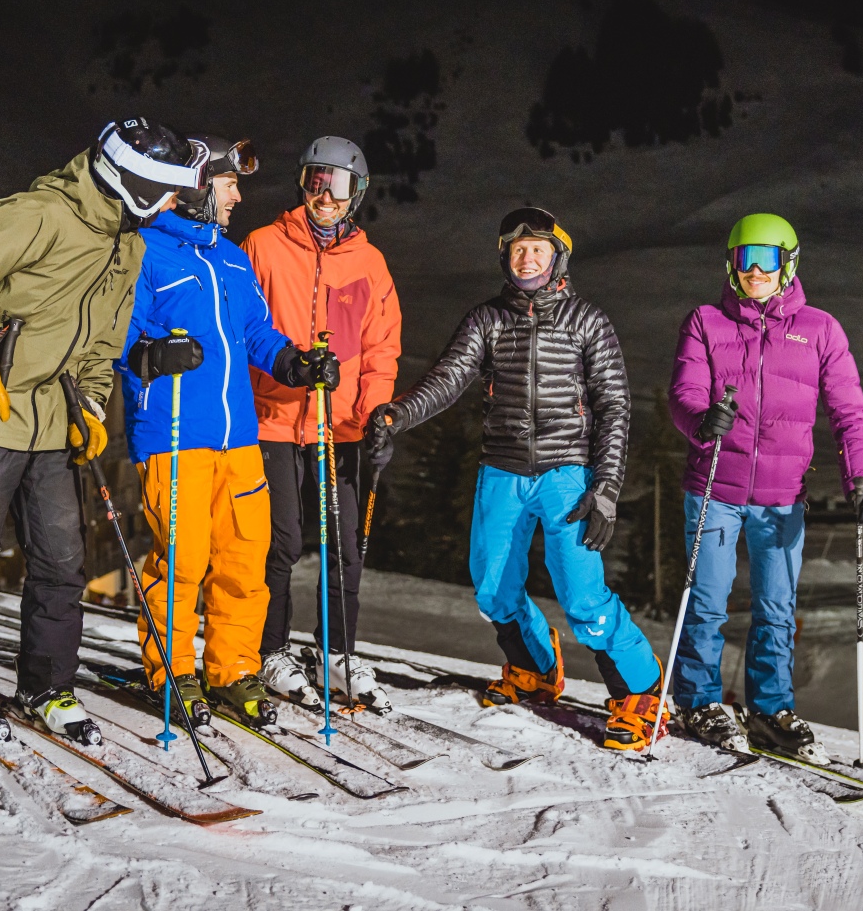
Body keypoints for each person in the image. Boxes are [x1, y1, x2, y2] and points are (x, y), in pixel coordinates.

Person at [0, 117, 208, 743]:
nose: (172, 204)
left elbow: (102, 343)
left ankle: (47, 685)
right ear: (131, 181)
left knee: (62, 559)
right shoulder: (40, 215)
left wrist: (94, 409)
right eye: (166, 191)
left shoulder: (126, 243)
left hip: (53, 418)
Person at [364, 207, 666, 751]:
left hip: (567, 473)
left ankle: (640, 690)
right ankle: (534, 666)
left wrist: (607, 489)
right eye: (518, 249)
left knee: (581, 595)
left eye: (539, 249)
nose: (528, 257)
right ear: (505, 257)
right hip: (502, 467)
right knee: (492, 587)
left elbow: (615, 407)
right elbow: (449, 378)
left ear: (557, 258)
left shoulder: (587, 321)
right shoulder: (487, 319)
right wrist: (397, 415)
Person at [113, 135, 338, 730]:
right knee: (182, 562)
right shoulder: (142, 254)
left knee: (245, 559)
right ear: (192, 186)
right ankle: (171, 673)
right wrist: (149, 356)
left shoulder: (232, 257)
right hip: (175, 432)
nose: (239, 194)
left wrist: (294, 363)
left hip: (239, 438)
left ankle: (233, 671)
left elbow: (258, 334)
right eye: (228, 183)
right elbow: (111, 340)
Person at [667, 213, 863, 764]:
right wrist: (700, 420)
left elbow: (849, 412)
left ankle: (770, 710)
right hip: (715, 486)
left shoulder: (820, 330)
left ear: (789, 263)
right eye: (744, 258)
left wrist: (862, 479)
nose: (756, 270)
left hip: (783, 498)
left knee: (776, 609)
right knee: (709, 603)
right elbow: (683, 392)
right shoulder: (707, 322)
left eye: (767, 258)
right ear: (731, 264)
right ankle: (698, 701)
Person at [242, 137, 402, 712]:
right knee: (280, 543)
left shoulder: (370, 262)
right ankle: (270, 649)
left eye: (337, 185)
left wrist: (376, 409)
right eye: (315, 180)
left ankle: (338, 653)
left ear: (355, 194)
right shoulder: (262, 245)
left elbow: (383, 346)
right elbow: (243, 326)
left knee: (344, 548)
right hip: (275, 420)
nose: (324, 196)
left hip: (341, 427)